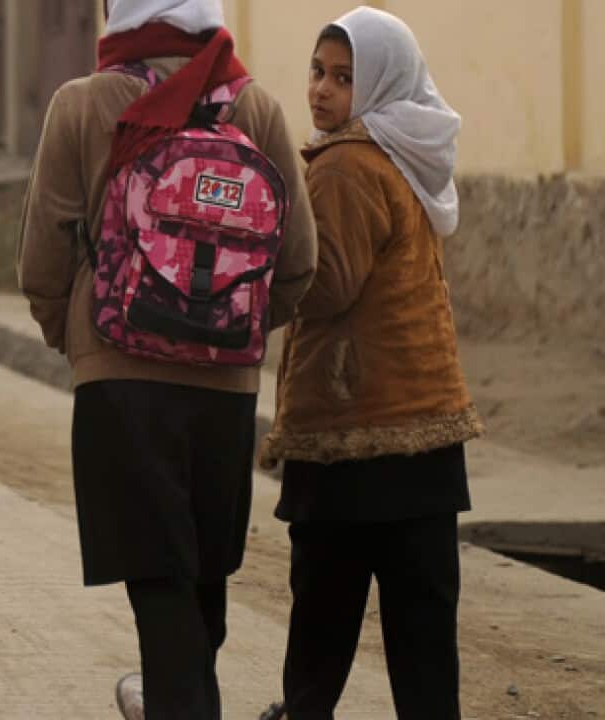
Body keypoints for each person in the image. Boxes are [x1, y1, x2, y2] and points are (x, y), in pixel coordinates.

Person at [17, 1, 318, 717]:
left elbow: (43, 258)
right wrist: (233, 333)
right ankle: (178, 695)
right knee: (203, 575)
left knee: (157, 578)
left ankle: (178, 702)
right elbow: (301, 264)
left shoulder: (84, 105)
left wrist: (82, 338)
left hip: (119, 381)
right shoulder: (257, 107)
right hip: (226, 390)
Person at [258, 8, 485, 719]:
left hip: (351, 432)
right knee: (423, 633)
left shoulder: (347, 166)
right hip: (425, 430)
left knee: (323, 621)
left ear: (381, 84)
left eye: (345, 78)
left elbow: (326, 287)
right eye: (318, 73)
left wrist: (259, 257)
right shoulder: (403, 156)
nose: (322, 91)